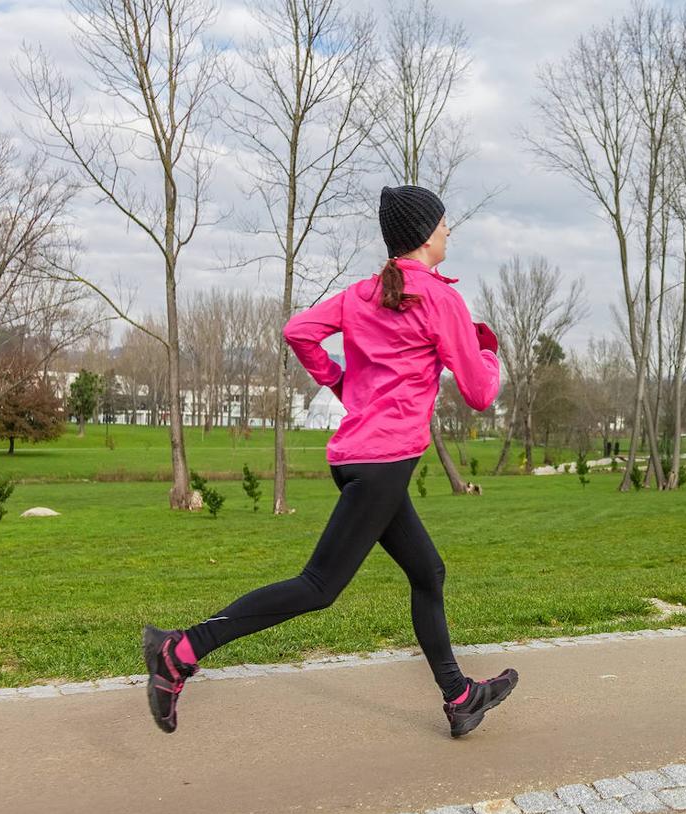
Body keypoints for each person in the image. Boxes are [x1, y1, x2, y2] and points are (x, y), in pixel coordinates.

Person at [142, 185, 518, 739]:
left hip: (357, 460)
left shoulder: (364, 293)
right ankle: (181, 650)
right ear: (424, 233)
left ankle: (460, 697)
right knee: (319, 586)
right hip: (383, 464)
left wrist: (344, 385)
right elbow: (482, 392)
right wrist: (487, 349)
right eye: (443, 223)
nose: (448, 231)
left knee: (427, 572)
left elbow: (300, 332)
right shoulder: (440, 300)